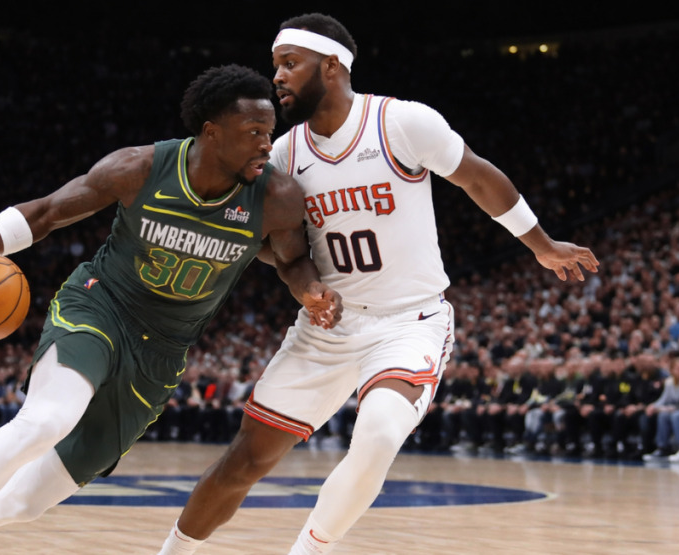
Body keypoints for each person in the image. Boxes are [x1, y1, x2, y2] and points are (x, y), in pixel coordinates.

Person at [0, 64, 341, 555]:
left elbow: (293, 260)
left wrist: (309, 290)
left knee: (24, 503)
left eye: (269, 132)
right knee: (46, 420)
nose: (265, 144)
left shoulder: (276, 197)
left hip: (162, 353)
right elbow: (47, 212)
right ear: (211, 132)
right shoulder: (140, 168)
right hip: (100, 306)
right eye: (254, 132)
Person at [155, 14, 598, 555]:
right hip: (328, 327)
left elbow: (478, 176)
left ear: (333, 65)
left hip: (407, 322)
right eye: (276, 65)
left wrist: (542, 245)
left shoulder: (401, 122)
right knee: (244, 461)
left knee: (379, 435)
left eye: (289, 64)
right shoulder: (285, 154)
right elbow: (273, 246)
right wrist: (306, 285)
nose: (277, 77)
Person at [642, 356, 679, 460]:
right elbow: (663, 399)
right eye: (676, 368)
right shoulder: (669, 382)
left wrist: (674, 408)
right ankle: (663, 447)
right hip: (675, 410)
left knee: (675, 415)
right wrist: (653, 406)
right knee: (663, 415)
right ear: (671, 370)